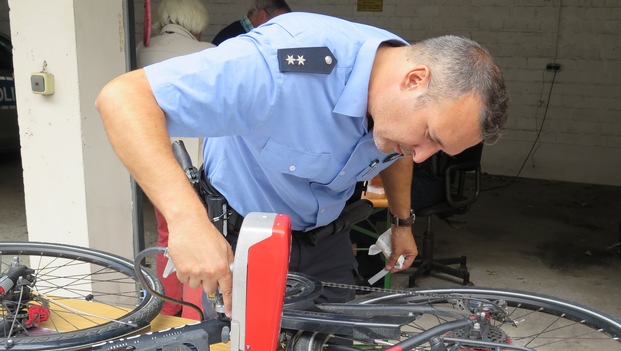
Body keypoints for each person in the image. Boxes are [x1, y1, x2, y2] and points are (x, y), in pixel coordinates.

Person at [96, 12, 509, 317]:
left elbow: (397, 149)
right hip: (240, 237)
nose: (421, 156)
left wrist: (402, 222)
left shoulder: (397, 90)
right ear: (414, 80)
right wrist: (187, 222)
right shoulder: (282, 66)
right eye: (431, 137)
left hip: (324, 239)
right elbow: (123, 99)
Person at [136, 0, 215, 319]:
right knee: (201, 239)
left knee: (167, 235)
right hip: (196, 165)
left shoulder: (142, 50)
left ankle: (165, 310)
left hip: (156, 163)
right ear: (194, 23)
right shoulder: (208, 52)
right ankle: (194, 316)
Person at [211, 0, 291, 46]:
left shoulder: (234, 32)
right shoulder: (235, 39)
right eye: (278, 21)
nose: (281, 27)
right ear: (262, 15)